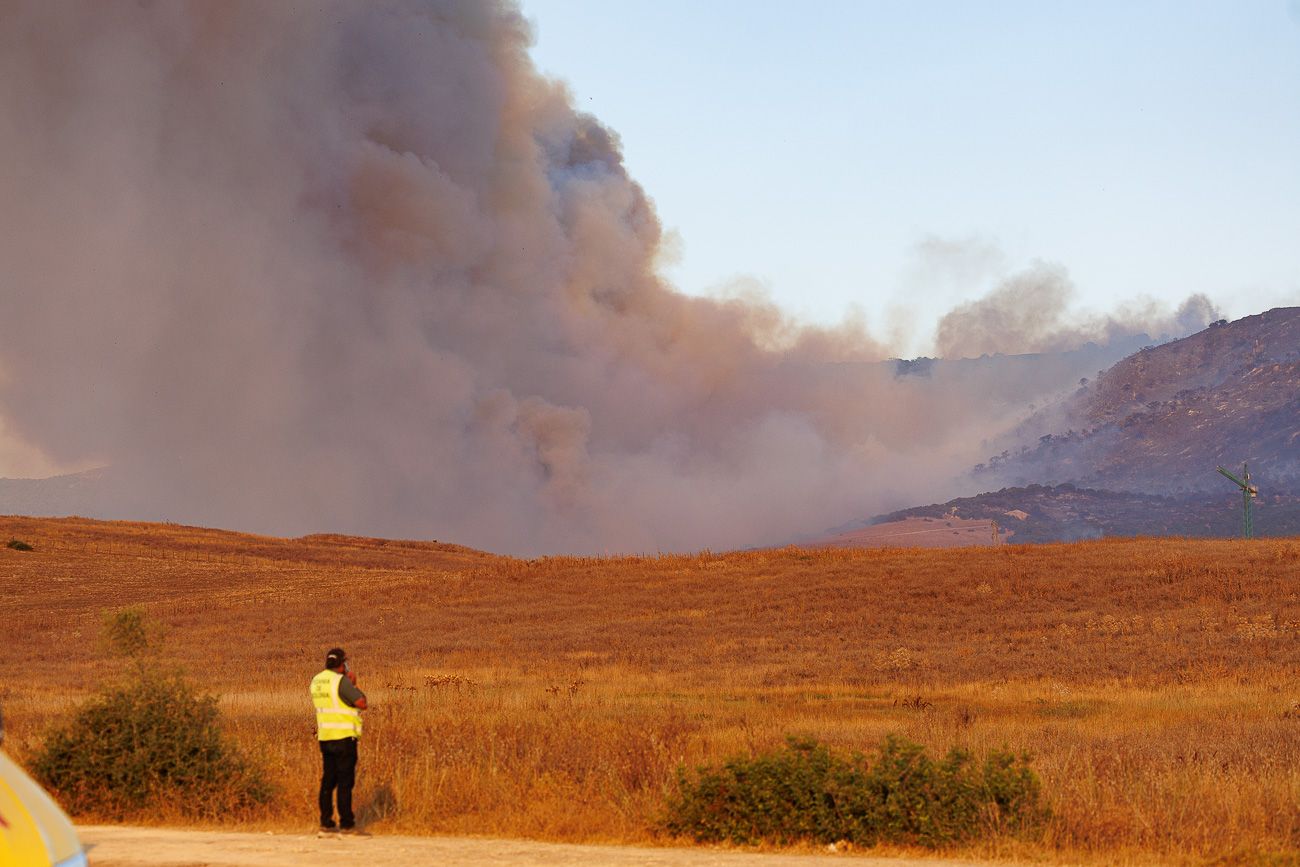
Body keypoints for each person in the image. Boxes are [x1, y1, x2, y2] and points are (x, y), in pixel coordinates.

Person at [310, 647, 369, 837]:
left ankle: (326, 823)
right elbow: (361, 703)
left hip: (325, 737)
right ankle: (347, 825)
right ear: (342, 664)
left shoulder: (317, 681)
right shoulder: (340, 681)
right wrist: (353, 685)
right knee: (345, 782)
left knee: (328, 781)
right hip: (344, 737)